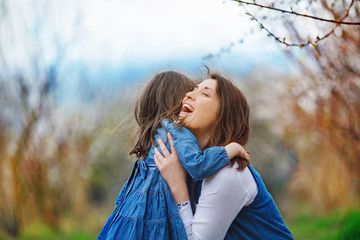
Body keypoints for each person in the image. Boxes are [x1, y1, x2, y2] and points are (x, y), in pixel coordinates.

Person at [97, 71, 249, 240]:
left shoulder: (157, 133)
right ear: (175, 101)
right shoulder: (177, 132)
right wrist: (232, 149)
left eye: (203, 93)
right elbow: (199, 166)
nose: (189, 96)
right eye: (189, 91)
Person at [154, 72, 294, 240]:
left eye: (205, 94)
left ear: (222, 116)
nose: (188, 95)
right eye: (193, 90)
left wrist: (178, 187)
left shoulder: (228, 173)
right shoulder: (195, 165)